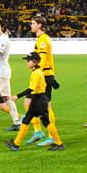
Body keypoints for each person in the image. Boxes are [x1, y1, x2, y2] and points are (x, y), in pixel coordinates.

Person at [7, 53, 65, 151]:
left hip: (39, 100)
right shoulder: (36, 72)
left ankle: (59, 143)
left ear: (34, 62)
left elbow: (31, 88)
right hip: (37, 99)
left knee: (45, 122)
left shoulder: (37, 73)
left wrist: (17, 96)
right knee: (26, 121)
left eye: (28, 61)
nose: (26, 63)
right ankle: (16, 143)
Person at [26, 16, 60, 147]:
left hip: (44, 76)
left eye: (33, 23)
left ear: (40, 25)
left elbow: (43, 59)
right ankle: (39, 132)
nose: (31, 25)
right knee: (29, 103)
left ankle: (50, 135)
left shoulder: (43, 39)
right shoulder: (40, 39)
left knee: (45, 106)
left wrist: (41, 72)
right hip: (41, 75)